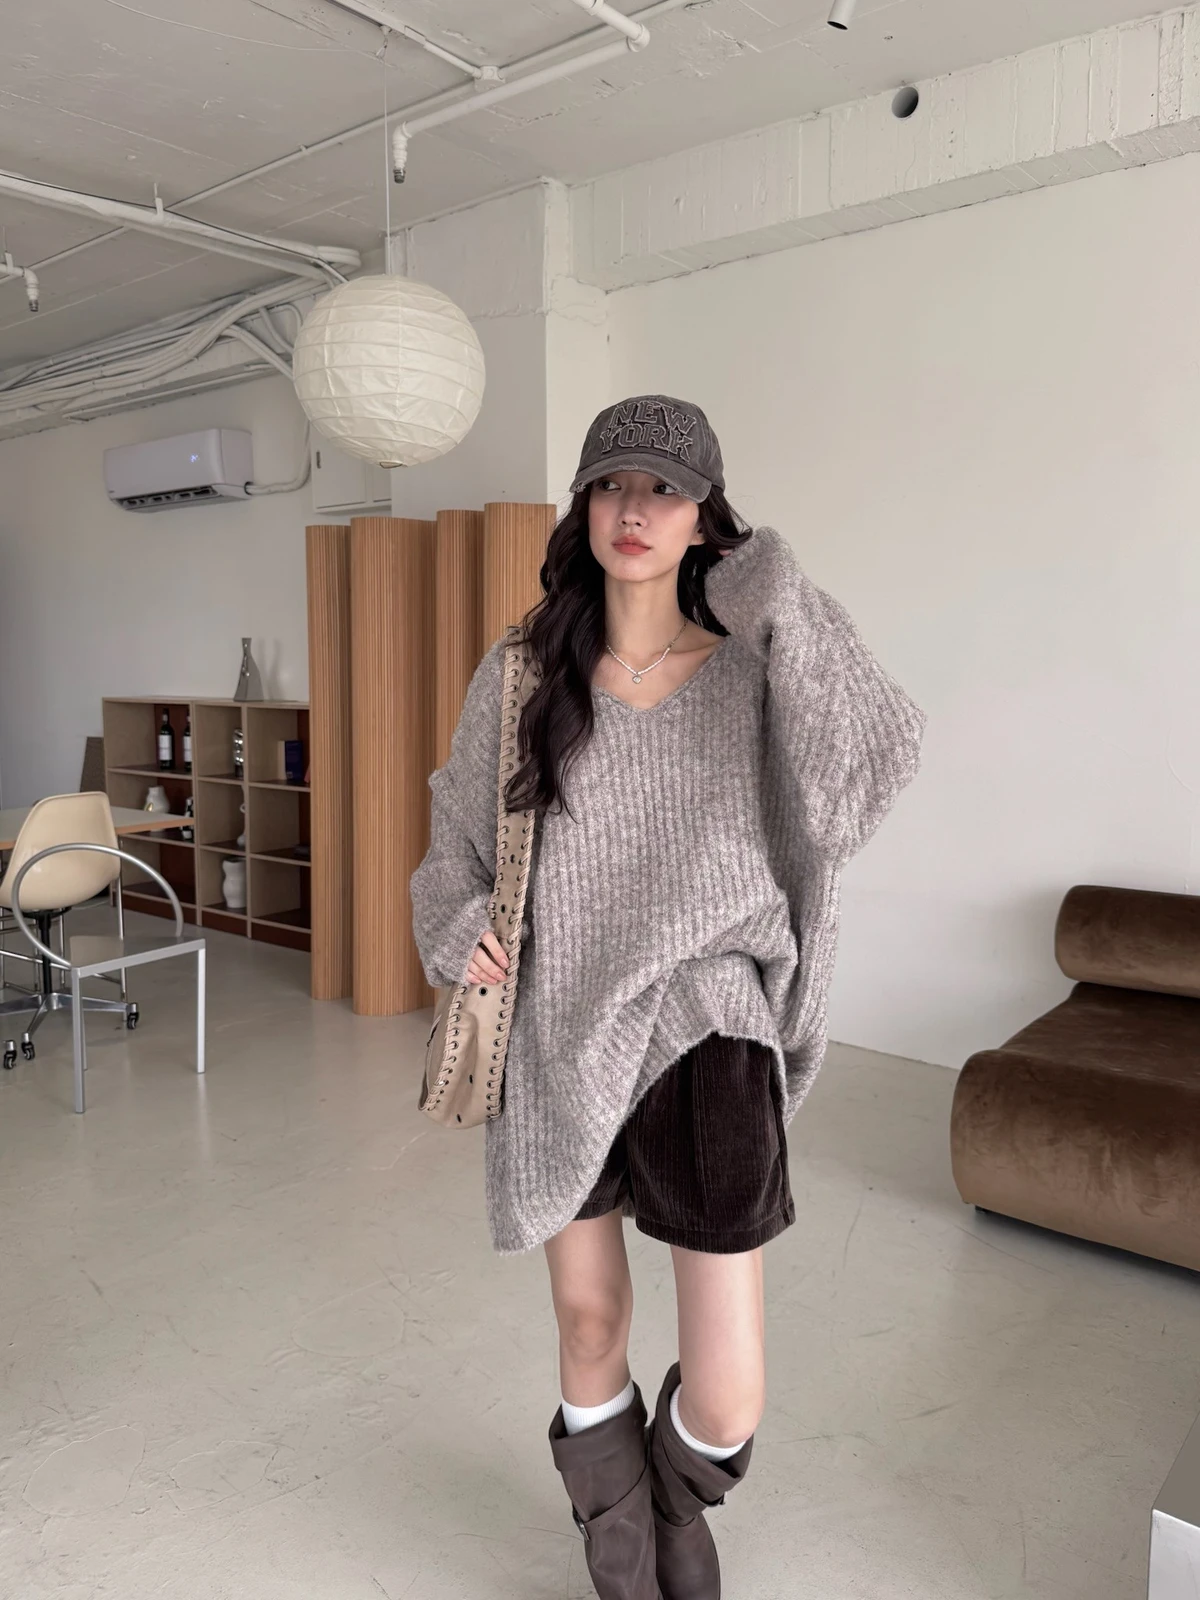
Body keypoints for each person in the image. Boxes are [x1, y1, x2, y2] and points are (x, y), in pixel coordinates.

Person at [409, 394, 927, 1600]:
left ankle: (669, 1501)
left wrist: (778, 590)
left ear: (707, 518)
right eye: (612, 484)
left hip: (712, 1025)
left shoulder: (756, 672)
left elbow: (874, 766)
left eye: (665, 488)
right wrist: (456, 922)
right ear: (584, 506)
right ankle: (625, 1550)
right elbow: (455, 843)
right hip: (557, 1024)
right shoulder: (524, 672)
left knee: (729, 1387)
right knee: (590, 1323)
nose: (634, 508)